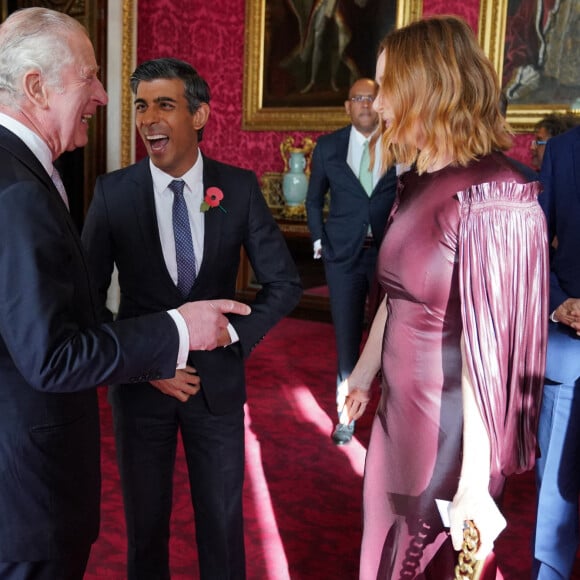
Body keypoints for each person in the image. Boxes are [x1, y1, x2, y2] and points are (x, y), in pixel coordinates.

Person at [0, 9, 251, 580]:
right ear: (38, 87)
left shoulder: (21, 171)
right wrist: (178, 331)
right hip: (27, 486)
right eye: (89, 76)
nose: (104, 97)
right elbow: (52, 353)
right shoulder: (19, 191)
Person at [339, 15, 549, 578]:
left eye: (386, 87)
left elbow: (493, 355)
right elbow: (399, 296)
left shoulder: (495, 193)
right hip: (396, 422)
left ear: (426, 88)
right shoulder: (416, 179)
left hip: (452, 435)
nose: (375, 104)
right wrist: (363, 374)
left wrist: (476, 481)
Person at [81, 57, 302, 580]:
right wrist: (144, 364)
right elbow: (87, 299)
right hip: (140, 392)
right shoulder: (113, 193)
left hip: (217, 387)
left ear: (199, 115)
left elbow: (285, 284)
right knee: (145, 528)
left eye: (164, 104)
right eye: (140, 106)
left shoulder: (239, 189)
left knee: (222, 528)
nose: (148, 119)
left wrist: (231, 333)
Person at [305, 77, 397, 445]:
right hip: (342, 256)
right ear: (347, 106)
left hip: (387, 257)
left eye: (371, 98)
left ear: (380, 104)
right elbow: (314, 200)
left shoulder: (399, 143)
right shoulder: (328, 147)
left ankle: (391, 417)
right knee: (346, 339)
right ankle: (346, 415)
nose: (364, 103)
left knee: (391, 338)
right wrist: (318, 241)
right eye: (357, 97)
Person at [532, 124, 580, 579]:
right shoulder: (563, 150)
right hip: (569, 344)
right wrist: (556, 301)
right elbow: (534, 245)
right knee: (555, 494)